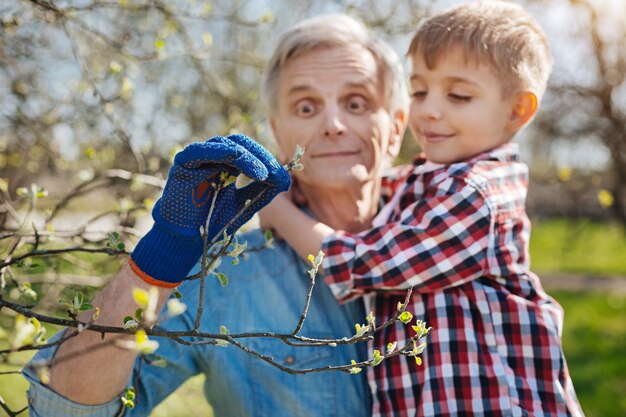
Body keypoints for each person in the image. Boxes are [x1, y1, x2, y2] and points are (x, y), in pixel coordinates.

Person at [23, 13, 409, 417]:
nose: (333, 125)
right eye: (307, 106)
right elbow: (62, 410)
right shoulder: (224, 275)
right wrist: (162, 256)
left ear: (397, 127)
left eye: (356, 103)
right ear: (279, 134)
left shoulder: (458, 243)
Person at [260, 2, 586, 416]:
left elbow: (367, 264)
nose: (430, 110)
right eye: (419, 91)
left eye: (458, 95)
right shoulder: (427, 183)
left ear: (516, 110)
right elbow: (380, 187)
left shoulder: (477, 194)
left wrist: (281, 213)